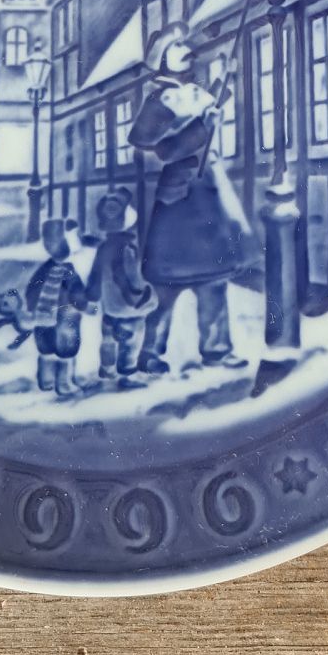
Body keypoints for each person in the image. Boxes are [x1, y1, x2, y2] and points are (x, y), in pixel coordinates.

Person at [128, 22, 251, 374]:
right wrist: (201, 127)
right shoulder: (159, 101)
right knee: (167, 283)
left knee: (214, 278)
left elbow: (208, 107)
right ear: (163, 58)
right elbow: (165, 150)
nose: (187, 50)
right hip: (179, 199)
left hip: (207, 193)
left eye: (185, 44)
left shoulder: (194, 92)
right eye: (177, 46)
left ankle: (217, 348)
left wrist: (225, 81)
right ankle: (150, 352)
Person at [86, 187, 156, 389]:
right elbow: (130, 275)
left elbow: (95, 275)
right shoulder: (129, 248)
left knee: (108, 339)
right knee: (131, 342)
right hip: (128, 308)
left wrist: (92, 296)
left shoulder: (103, 248)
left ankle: (107, 369)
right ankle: (127, 374)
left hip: (109, 308)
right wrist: (140, 295)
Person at [24, 218, 91, 398]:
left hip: (42, 317)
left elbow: (31, 290)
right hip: (64, 317)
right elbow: (77, 293)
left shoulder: (45, 268)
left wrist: (32, 309)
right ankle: (64, 383)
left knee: (46, 348)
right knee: (66, 348)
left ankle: (46, 380)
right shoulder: (68, 271)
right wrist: (85, 305)